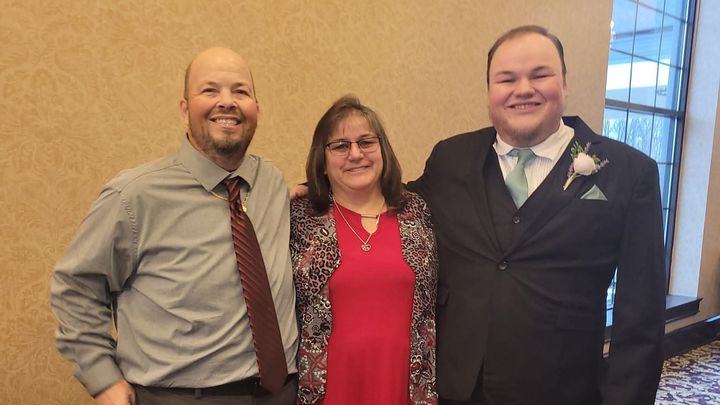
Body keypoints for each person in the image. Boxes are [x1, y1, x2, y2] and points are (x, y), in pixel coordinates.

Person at [407, 25, 666, 405]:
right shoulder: (450, 158)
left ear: (565, 84)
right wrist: (325, 185)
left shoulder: (630, 173)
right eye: (506, 79)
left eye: (540, 75)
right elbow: (392, 204)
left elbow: (641, 317)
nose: (523, 89)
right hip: (457, 388)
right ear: (490, 92)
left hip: (563, 390)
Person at [50, 47, 299, 405]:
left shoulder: (270, 182)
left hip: (282, 393)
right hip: (180, 396)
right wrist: (102, 378)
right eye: (210, 90)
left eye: (240, 91)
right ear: (184, 109)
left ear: (256, 109)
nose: (227, 102)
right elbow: (76, 288)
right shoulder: (133, 196)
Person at [291, 95, 439, 405]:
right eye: (340, 146)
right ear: (322, 160)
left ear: (383, 150)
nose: (356, 154)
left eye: (366, 142)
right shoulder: (300, 216)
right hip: (328, 390)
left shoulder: (415, 211)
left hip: (406, 387)